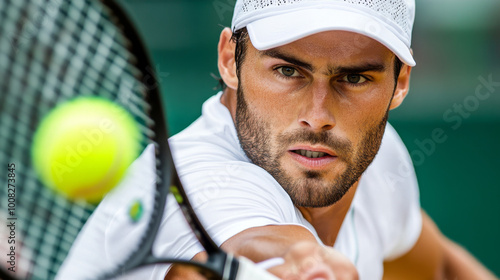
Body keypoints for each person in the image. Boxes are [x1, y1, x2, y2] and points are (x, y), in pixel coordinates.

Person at [58, 0, 497, 279]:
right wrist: (308, 261)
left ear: (400, 83)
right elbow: (253, 237)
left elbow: (437, 267)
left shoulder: (376, 161)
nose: (318, 117)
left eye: (355, 77)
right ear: (231, 59)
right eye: (288, 71)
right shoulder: (197, 182)